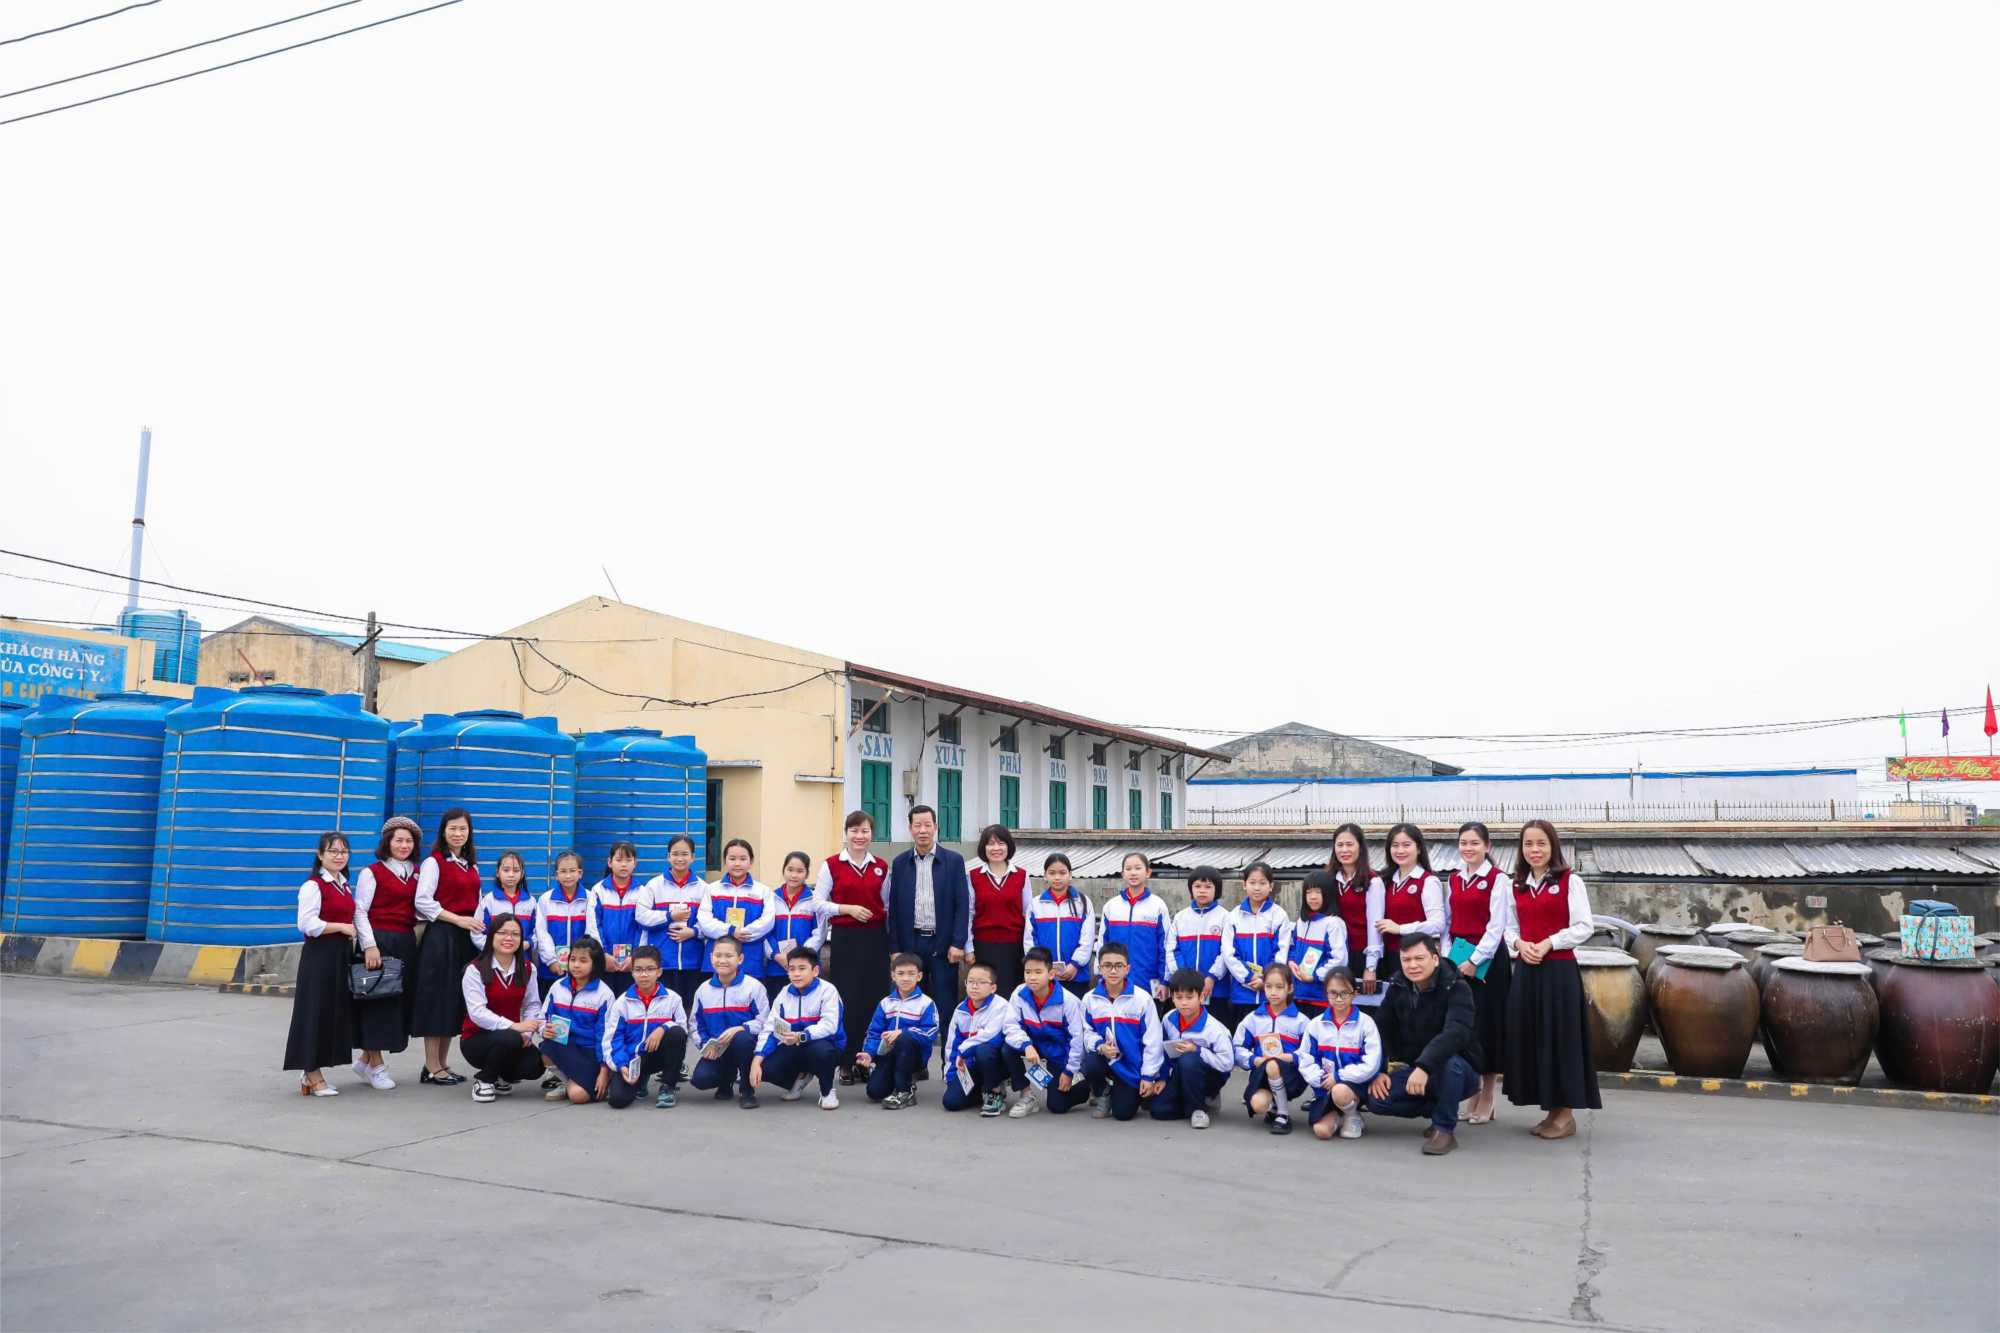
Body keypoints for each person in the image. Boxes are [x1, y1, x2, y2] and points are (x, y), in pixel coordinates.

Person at [1503, 820, 1602, 1139]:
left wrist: (1549, 942)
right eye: (1528, 844)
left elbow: (1584, 926)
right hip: (1527, 972)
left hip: (1559, 973)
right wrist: (1519, 944)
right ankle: (1551, 1111)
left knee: (1561, 1039)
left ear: (1553, 846)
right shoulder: (1516, 885)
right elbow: (1508, 927)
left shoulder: (1570, 881)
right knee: (1536, 1039)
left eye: (1541, 843)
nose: (1535, 850)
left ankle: (1566, 1115)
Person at [1365, 935, 1480, 1156]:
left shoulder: (1456, 986)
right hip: (1419, 1072)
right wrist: (1379, 1071)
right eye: (1406, 960)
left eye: (1419, 958)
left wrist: (1424, 1066)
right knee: (1376, 1100)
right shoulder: (1399, 986)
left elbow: (1455, 1032)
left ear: (1435, 959)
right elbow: (1380, 1030)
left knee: (1449, 1063)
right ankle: (1439, 1108)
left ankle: (1444, 1128)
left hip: (1459, 1071)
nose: (1412, 965)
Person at [815, 811, 892, 1085]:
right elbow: (817, 903)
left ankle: (866, 1061)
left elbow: (886, 906)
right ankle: (846, 1064)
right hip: (846, 939)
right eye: (854, 830)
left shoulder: (881, 866)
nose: (859, 836)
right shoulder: (832, 865)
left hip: (875, 941)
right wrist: (846, 909)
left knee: (874, 1001)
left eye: (865, 831)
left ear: (872, 834)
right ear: (846, 833)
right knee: (848, 1000)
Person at [1447, 821, 1514, 1124]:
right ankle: (1472, 1091)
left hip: (1487, 961)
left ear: (1487, 846)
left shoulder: (1498, 879)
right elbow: (1448, 922)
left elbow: (1497, 926)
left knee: (1488, 1026)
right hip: (1458, 958)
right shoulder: (1454, 879)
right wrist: (1450, 958)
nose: (1468, 848)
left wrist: (1475, 960)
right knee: (1467, 1026)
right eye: (1463, 842)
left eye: (1475, 843)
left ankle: (1487, 1096)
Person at [350, 815, 423, 1089]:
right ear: (387, 842)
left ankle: (364, 1061)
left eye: (409, 841)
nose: (404, 845)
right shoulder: (372, 872)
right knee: (376, 1001)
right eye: (398, 840)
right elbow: (360, 910)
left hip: (406, 942)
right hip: (379, 941)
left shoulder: (417, 873)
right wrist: (369, 945)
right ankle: (377, 1066)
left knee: (396, 1002)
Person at [411, 807, 481, 1086]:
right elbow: (422, 901)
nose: (458, 833)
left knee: (455, 1000)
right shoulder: (434, 862)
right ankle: (430, 1066)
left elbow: (478, 902)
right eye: (452, 828)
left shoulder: (471, 864)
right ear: (443, 831)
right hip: (441, 936)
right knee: (437, 999)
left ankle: (443, 1064)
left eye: (463, 828)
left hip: (466, 938)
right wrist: (457, 919)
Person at [886, 806, 970, 1039]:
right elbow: (893, 908)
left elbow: (962, 905)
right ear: (910, 829)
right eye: (917, 825)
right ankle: (913, 1057)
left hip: (943, 945)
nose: (923, 830)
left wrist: (958, 943)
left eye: (928, 825)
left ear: (935, 828)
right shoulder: (900, 862)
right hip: (910, 944)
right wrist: (895, 949)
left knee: (946, 1006)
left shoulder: (953, 861)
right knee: (910, 1007)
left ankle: (948, 1058)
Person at [285, 832, 358, 1096]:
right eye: (333, 851)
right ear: (320, 855)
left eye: (344, 851)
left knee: (330, 1013)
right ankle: (311, 1073)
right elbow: (306, 923)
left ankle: (314, 1071)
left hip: (340, 955)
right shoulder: (313, 886)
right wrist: (341, 926)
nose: (339, 856)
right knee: (314, 1012)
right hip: (320, 956)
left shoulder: (344, 885)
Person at [1069, 942, 1164, 1121]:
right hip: (1105, 1058)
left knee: (1123, 1114)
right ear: (1099, 969)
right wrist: (1100, 1046)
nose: (1113, 971)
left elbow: (1153, 1040)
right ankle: (1104, 1092)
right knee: (1089, 1064)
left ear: (1127, 969)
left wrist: (1147, 1075)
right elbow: (1086, 1032)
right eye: (1107, 965)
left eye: (1119, 966)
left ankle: (1132, 1092)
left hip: (1132, 1065)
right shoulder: (1090, 999)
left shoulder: (1142, 999)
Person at [458, 913, 546, 1104]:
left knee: (535, 1066)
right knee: (509, 1037)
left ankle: (498, 1074)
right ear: (491, 936)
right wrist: (514, 1027)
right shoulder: (475, 969)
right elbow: (477, 1013)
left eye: (515, 934)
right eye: (502, 933)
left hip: (512, 1038)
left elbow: (532, 1005)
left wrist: (527, 1034)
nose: (509, 938)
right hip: (475, 1040)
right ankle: (485, 1080)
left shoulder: (528, 968)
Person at [749, 946, 845, 1110]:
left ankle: (827, 1092)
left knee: (821, 1051)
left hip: (827, 1045)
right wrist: (757, 1060)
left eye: (802, 969)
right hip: (794, 1046)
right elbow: (771, 1028)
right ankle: (801, 1077)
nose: (796, 974)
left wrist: (801, 1036)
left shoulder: (828, 991)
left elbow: (830, 1026)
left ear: (815, 971)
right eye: (791, 969)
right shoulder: (784, 993)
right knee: (765, 1067)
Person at [1000, 946, 1088, 1117]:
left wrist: (1069, 1071)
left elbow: (1077, 1039)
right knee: (1007, 1048)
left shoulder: (1067, 1000)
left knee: (1056, 1105)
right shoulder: (1019, 993)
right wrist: (1026, 1045)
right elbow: (1010, 1025)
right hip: (1034, 1044)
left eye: (1038, 972)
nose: (1032, 977)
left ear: (1051, 974)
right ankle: (1027, 1094)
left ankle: (1087, 1086)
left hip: (1059, 1051)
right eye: (1028, 972)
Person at [601, 945, 691, 1109]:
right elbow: (612, 1040)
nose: (644, 974)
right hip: (632, 1059)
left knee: (676, 1033)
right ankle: (640, 1079)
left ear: (659, 972)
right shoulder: (622, 1003)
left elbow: (682, 1031)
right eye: (639, 970)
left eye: (650, 969)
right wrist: (621, 1066)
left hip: (658, 1056)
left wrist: (663, 1028)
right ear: (632, 972)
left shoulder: (673, 999)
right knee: (617, 1100)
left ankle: (668, 1086)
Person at [688, 936, 771, 1108]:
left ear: (740, 959)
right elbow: (696, 1025)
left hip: (746, 1045)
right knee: (700, 1080)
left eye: (729, 956)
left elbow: (764, 1021)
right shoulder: (703, 990)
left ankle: (747, 1090)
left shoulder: (754, 987)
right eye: (718, 955)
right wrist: (704, 1045)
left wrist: (740, 1028)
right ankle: (726, 1080)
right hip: (718, 1048)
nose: (723, 960)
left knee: (742, 1039)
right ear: (711, 957)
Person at [1299, 968, 1381, 1142]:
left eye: (1344, 993)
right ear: (1326, 994)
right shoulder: (1315, 1024)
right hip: (1325, 1086)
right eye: (1333, 993)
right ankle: (1340, 1113)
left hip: (1354, 1086)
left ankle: (1353, 1115)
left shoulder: (1366, 1023)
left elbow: (1372, 1063)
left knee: (1340, 1091)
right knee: (1322, 1131)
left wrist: (1338, 1077)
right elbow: (1306, 1059)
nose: (1338, 999)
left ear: (1354, 994)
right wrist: (1321, 1080)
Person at [1150, 967, 1234, 1128]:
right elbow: (1163, 1051)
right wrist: (1162, 1078)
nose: (1184, 1002)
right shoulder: (1168, 1019)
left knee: (1188, 1059)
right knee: (1157, 1109)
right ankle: (1197, 1102)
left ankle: (1199, 1109)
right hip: (1181, 1074)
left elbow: (1227, 1064)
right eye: (1178, 997)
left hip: (1211, 1076)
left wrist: (1197, 1050)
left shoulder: (1214, 1029)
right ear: (1172, 998)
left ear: (1201, 996)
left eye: (1190, 997)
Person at [1233, 962, 1309, 1135]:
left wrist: (1291, 1058)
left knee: (1274, 1064)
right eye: (1268, 986)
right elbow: (1237, 1048)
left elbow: (1310, 1053)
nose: (1273, 992)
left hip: (1292, 1076)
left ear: (1290, 989)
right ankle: (1273, 1106)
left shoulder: (1302, 1021)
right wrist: (1254, 1060)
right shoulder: (1253, 1019)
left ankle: (1283, 1114)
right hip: (1262, 1073)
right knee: (1258, 1105)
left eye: (1279, 987)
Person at [858, 953, 940, 1109]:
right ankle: (900, 1079)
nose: (905, 978)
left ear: (919, 976)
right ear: (893, 976)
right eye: (900, 974)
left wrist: (903, 1032)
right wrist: (869, 1053)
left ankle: (904, 1091)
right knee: (874, 1092)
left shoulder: (926, 1003)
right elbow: (874, 1032)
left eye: (911, 974)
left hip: (914, 1055)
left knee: (904, 1039)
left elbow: (930, 1032)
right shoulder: (886, 1003)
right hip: (889, 1053)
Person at [539, 935, 614, 1104]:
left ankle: (599, 1081)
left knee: (577, 1096)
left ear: (595, 963)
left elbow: (605, 1036)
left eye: (583, 961)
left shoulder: (604, 994)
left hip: (591, 1053)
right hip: (566, 1047)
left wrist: (604, 1070)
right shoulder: (557, 987)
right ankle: (567, 1082)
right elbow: (543, 1018)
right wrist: (545, 1029)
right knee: (546, 1048)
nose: (576, 965)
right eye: (572, 959)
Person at [637, 834, 707, 1014]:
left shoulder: (703, 888)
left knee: (690, 1008)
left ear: (693, 857)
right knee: (663, 1008)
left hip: (693, 962)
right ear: (668, 856)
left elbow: (709, 921)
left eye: (685, 854)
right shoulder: (654, 885)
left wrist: (693, 932)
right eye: (675, 854)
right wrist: (669, 916)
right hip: (663, 961)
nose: (680, 858)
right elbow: (641, 916)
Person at [1095, 852, 1176, 1003]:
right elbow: (1102, 944)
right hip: (1115, 981)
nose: (1133, 873)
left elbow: (1165, 946)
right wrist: (1100, 975)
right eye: (1128, 869)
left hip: (1148, 982)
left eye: (1138, 868)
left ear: (1148, 872)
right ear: (1122, 874)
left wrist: (1165, 981)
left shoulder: (1158, 906)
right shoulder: (1111, 907)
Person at [698, 838, 778, 986]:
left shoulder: (763, 891)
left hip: (750, 961)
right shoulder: (712, 889)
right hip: (716, 962)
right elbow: (704, 920)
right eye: (732, 858)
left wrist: (744, 933)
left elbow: (768, 921)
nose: (737, 863)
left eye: (743, 859)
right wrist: (730, 931)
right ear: (724, 862)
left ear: (751, 862)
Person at [1373, 822, 1444, 986]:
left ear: (1419, 849)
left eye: (1406, 845)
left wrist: (1400, 928)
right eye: (1395, 845)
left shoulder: (1428, 881)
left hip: (1416, 959)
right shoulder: (1385, 881)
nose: (1400, 850)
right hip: (1388, 956)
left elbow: (1438, 924)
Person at [966, 825, 1032, 1000]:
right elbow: (969, 914)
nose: (996, 848)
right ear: (983, 847)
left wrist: (1028, 950)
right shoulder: (973, 876)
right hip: (983, 947)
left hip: (1014, 948)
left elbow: (1027, 914)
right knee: (984, 994)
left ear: (1009, 846)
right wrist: (968, 948)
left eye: (1001, 843)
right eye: (991, 843)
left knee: (1012, 995)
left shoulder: (1021, 875)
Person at [1221, 861, 1291, 1023]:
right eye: (1252, 883)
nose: (1257, 888)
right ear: (1244, 885)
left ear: (1271, 886)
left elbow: (1281, 953)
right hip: (1242, 993)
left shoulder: (1279, 915)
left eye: (1262, 883)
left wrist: (1267, 980)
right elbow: (1229, 952)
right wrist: (1248, 977)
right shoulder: (1235, 916)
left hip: (1271, 995)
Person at [941, 961, 1013, 1116]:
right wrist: (951, 1078)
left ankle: (995, 1092)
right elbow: (951, 1046)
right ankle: (983, 1089)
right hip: (969, 1067)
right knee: (950, 1102)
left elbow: (991, 1037)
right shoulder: (960, 1010)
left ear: (993, 988)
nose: (974, 986)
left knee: (983, 1050)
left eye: (981, 982)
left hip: (995, 1062)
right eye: (971, 981)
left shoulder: (1001, 1006)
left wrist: (964, 1052)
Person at [1024, 852, 1096, 997]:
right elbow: (1030, 939)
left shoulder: (1083, 902)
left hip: (1076, 975)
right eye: (1052, 873)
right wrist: (1040, 967)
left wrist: (1075, 965)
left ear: (1070, 875)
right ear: (1045, 875)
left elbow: (1087, 939)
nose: (1057, 877)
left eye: (1062, 873)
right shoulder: (1036, 904)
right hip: (1044, 976)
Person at [763, 851, 833, 1000]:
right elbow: (765, 931)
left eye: (800, 871)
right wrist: (776, 955)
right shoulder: (771, 898)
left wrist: (800, 956)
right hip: (777, 967)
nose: (794, 875)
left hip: (805, 967)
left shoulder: (814, 900)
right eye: (790, 870)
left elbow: (819, 934)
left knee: (806, 1008)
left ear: (807, 874)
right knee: (778, 1008)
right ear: (783, 871)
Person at [1170, 865, 1232, 1030]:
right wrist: (1184, 977)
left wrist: (1211, 977)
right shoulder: (1180, 918)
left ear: (1216, 889)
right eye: (1197, 886)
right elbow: (1173, 950)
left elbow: (1227, 952)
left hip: (1216, 990)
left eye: (1208, 886)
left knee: (1217, 1030)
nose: (1202, 890)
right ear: (1191, 888)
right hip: (1186, 990)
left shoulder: (1226, 917)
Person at [1330, 823, 1386, 996]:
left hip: (1361, 954)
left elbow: (1375, 926)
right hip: (1335, 953)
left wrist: (1371, 966)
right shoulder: (1330, 879)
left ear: (1360, 847)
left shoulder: (1372, 881)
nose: (1344, 850)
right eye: (1340, 845)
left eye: (1350, 844)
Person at [586, 840, 647, 995]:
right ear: (610, 862)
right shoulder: (598, 890)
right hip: (605, 961)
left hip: (631, 963)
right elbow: (593, 924)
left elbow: (643, 927)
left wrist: (635, 956)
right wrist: (603, 954)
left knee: (629, 1000)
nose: (624, 865)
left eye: (628, 860)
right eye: (619, 860)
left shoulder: (642, 892)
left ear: (635, 863)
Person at [1290, 870, 1348, 1019]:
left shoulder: (1333, 923)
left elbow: (1339, 959)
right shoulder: (1301, 922)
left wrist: (1315, 976)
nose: (1313, 897)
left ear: (1328, 894)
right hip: (1299, 995)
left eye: (1318, 892)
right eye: (1308, 892)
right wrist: (1291, 962)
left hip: (1322, 998)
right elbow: (1292, 947)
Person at [536, 851, 593, 993]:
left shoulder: (590, 898)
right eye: (563, 871)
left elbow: (591, 931)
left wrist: (584, 960)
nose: (568, 876)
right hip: (550, 970)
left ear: (580, 873)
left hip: (581, 969)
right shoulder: (545, 900)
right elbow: (541, 933)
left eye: (572, 871)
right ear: (556, 875)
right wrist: (551, 960)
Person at [470, 850, 539, 953]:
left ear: (522, 873)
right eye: (506, 870)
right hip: (493, 958)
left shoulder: (531, 902)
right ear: (497, 872)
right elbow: (477, 932)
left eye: (516, 871)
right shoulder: (488, 901)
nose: (511, 875)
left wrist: (528, 944)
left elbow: (538, 930)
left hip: (523, 958)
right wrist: (495, 948)